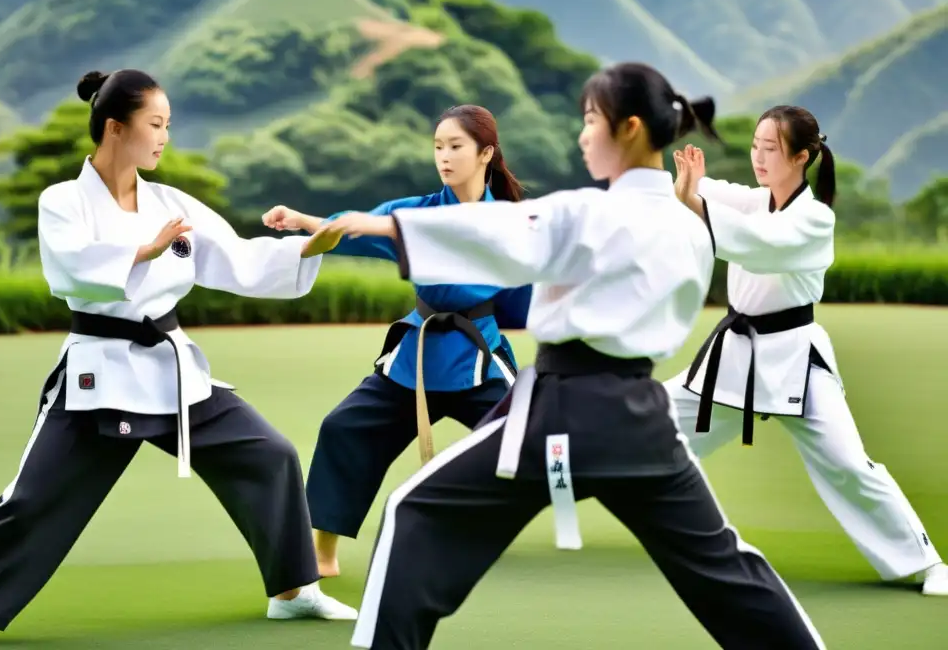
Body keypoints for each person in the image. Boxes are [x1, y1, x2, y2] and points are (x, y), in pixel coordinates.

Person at [303, 64, 827, 649]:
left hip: (559, 411)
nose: (582, 135)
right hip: (643, 418)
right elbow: (501, 231)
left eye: (590, 120)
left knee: (413, 513)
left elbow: (494, 235)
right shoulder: (689, 227)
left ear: (628, 128)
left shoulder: (585, 211)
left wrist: (379, 227)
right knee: (726, 569)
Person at [0, 69, 357, 650]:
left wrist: (309, 246)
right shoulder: (63, 201)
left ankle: (291, 592)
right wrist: (141, 250)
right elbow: (73, 269)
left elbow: (237, 259)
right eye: (155, 124)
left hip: (171, 370)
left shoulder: (170, 203)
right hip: (99, 373)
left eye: (167, 126)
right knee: (35, 499)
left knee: (268, 453)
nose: (163, 138)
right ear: (114, 128)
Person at [663, 105, 947, 597]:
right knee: (649, 424)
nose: (758, 157)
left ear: (801, 156)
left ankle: (927, 563)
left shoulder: (814, 219)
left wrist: (694, 201)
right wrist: (668, 175)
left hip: (797, 362)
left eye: (769, 149)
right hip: (735, 358)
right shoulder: (756, 202)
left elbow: (756, 242)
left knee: (848, 464)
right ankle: (545, 480)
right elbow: (717, 197)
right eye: (754, 146)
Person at [261, 105, 532, 580]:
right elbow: (358, 225)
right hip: (416, 358)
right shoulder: (418, 211)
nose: (443, 157)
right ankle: (322, 553)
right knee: (345, 428)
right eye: (437, 147)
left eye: (455, 147)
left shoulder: (507, 220)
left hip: (479, 357)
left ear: (486, 153)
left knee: (534, 439)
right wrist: (302, 219)